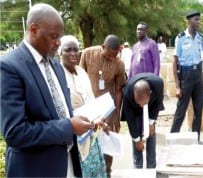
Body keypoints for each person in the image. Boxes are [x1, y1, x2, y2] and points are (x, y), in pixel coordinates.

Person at [0, 3, 95, 177]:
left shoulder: (56, 66)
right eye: (54, 36)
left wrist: (86, 119)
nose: (59, 43)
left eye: (60, 36)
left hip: (67, 165)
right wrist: (68, 126)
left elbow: (60, 113)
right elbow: (15, 132)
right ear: (33, 29)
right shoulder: (10, 67)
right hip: (35, 170)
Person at [58, 35, 108, 178]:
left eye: (76, 49)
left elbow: (91, 99)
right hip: (75, 135)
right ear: (60, 52)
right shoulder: (58, 75)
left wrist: (99, 116)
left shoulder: (81, 72)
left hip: (91, 132)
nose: (73, 53)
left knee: (96, 170)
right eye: (68, 50)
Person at [80, 34, 126, 178]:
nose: (111, 58)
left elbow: (118, 90)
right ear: (103, 46)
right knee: (90, 143)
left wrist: (117, 115)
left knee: (107, 144)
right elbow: (79, 78)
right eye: (108, 55)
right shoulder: (87, 54)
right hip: (89, 108)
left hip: (108, 110)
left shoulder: (119, 63)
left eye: (114, 56)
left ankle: (107, 172)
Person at [170, 11, 203, 141]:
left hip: (197, 76)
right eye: (196, 19)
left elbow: (200, 61)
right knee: (181, 110)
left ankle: (195, 139)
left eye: (199, 19)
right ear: (189, 21)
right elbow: (174, 62)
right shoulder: (180, 38)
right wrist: (177, 86)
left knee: (198, 110)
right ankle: (173, 139)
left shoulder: (200, 38)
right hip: (185, 76)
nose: (198, 22)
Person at [121, 73, 164, 168]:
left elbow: (157, 103)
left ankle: (151, 167)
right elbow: (130, 120)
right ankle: (138, 168)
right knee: (137, 141)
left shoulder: (158, 84)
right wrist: (137, 140)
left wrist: (151, 122)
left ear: (150, 93)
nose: (141, 105)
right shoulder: (127, 93)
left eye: (143, 103)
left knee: (151, 133)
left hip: (151, 106)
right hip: (133, 111)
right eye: (138, 102)